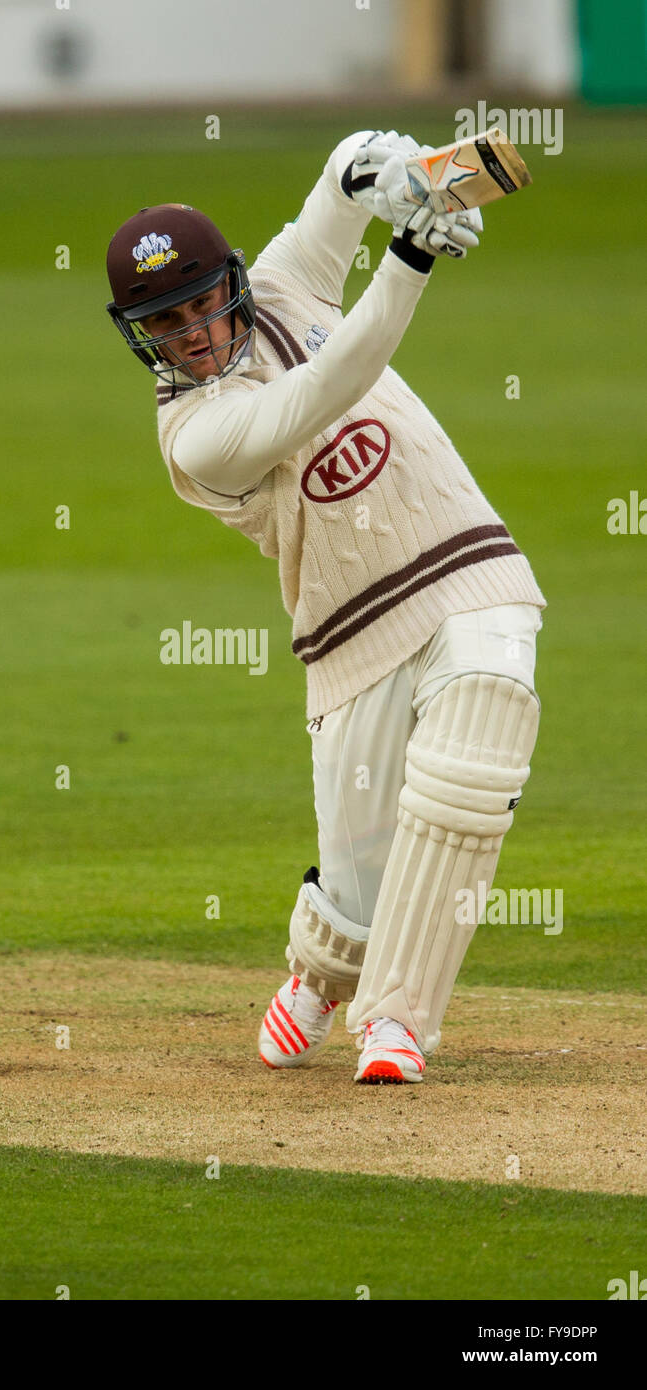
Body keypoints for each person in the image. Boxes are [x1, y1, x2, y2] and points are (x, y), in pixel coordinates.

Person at [105, 129, 545, 1084]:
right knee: (359, 877)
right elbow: (330, 380)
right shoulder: (198, 437)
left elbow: (340, 175)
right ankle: (325, 965)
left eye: (204, 307)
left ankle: (397, 1023)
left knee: (477, 748)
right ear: (141, 338)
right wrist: (413, 256)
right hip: (349, 628)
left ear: (231, 283)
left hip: (465, 558)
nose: (196, 335)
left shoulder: (285, 284)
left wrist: (394, 174)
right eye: (168, 326)